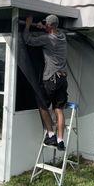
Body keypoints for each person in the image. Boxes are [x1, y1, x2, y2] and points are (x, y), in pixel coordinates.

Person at [23, 14, 68, 151]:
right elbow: (52, 31)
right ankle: (60, 141)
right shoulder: (62, 37)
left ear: (49, 26)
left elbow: (28, 40)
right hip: (63, 79)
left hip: (51, 78)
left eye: (46, 24)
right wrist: (43, 27)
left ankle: (51, 134)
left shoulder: (48, 39)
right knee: (58, 109)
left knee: (42, 104)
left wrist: (27, 25)